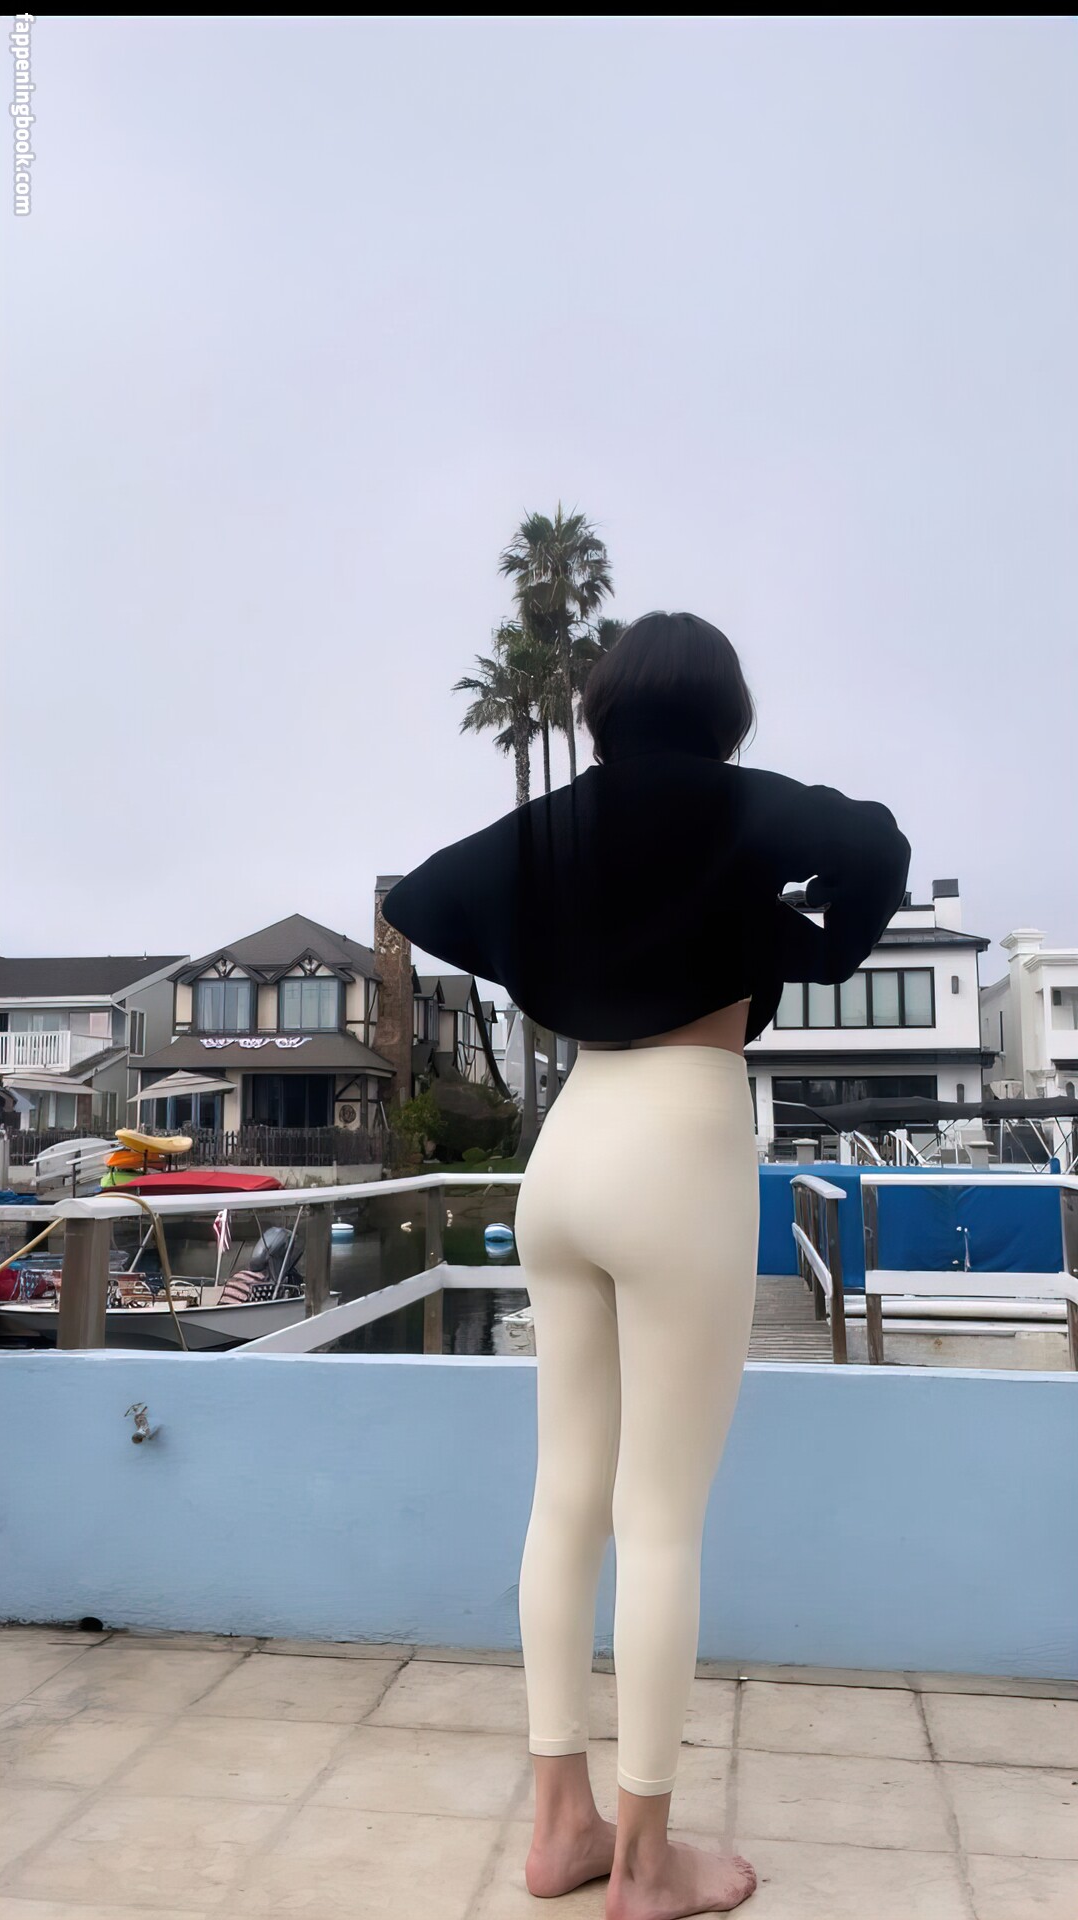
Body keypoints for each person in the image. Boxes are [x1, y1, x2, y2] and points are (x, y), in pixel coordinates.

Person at [381, 610, 911, 1918]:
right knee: (660, 1516)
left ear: (604, 713)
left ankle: (562, 1828)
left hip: (566, 1151)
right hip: (680, 1138)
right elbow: (877, 846)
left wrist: (558, 960)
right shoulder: (740, 808)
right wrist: (797, 946)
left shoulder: (561, 827)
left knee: (566, 1498)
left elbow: (422, 895)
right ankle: (644, 1863)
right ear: (725, 715)